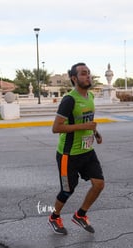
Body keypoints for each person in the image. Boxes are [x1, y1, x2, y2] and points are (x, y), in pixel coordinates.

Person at [48, 62, 105, 235]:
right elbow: (56, 128)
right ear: (74, 78)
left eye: (88, 72)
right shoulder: (69, 100)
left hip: (86, 150)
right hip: (68, 154)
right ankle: (54, 217)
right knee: (67, 189)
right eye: (83, 73)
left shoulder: (90, 97)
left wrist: (95, 132)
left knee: (99, 184)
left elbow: (87, 121)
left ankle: (80, 215)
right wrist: (84, 126)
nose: (88, 76)